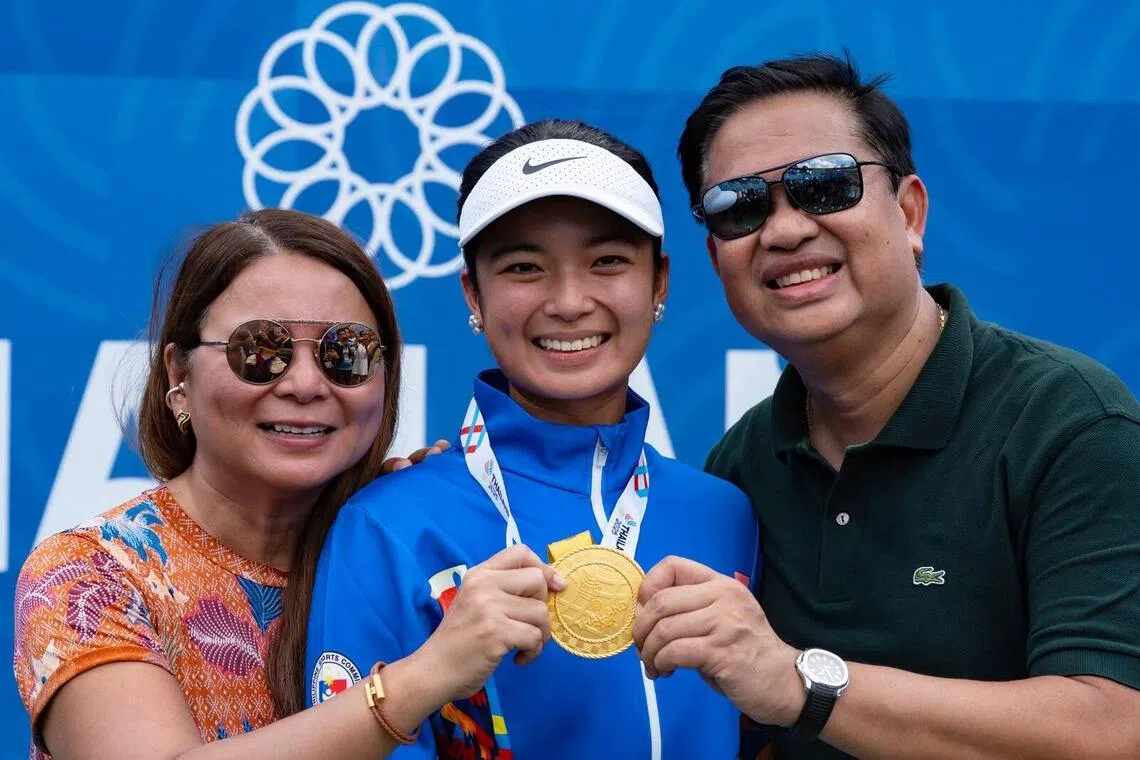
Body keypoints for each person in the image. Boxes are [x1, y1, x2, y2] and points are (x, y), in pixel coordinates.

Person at [627, 53, 1140, 758]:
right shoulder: (744, 465)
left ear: (909, 212)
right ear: (717, 258)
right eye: (741, 205)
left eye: (824, 185)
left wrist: (802, 685)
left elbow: (1113, 727)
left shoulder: (1069, 422)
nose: (784, 230)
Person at [13, 209, 566, 759]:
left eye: (343, 354)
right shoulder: (87, 574)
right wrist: (424, 676)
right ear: (180, 375)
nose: (304, 384)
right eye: (260, 351)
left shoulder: (400, 551)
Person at [304, 120, 761, 759]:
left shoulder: (725, 512)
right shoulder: (390, 526)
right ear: (475, 293)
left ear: (658, 282)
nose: (569, 301)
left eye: (607, 262)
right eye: (524, 267)